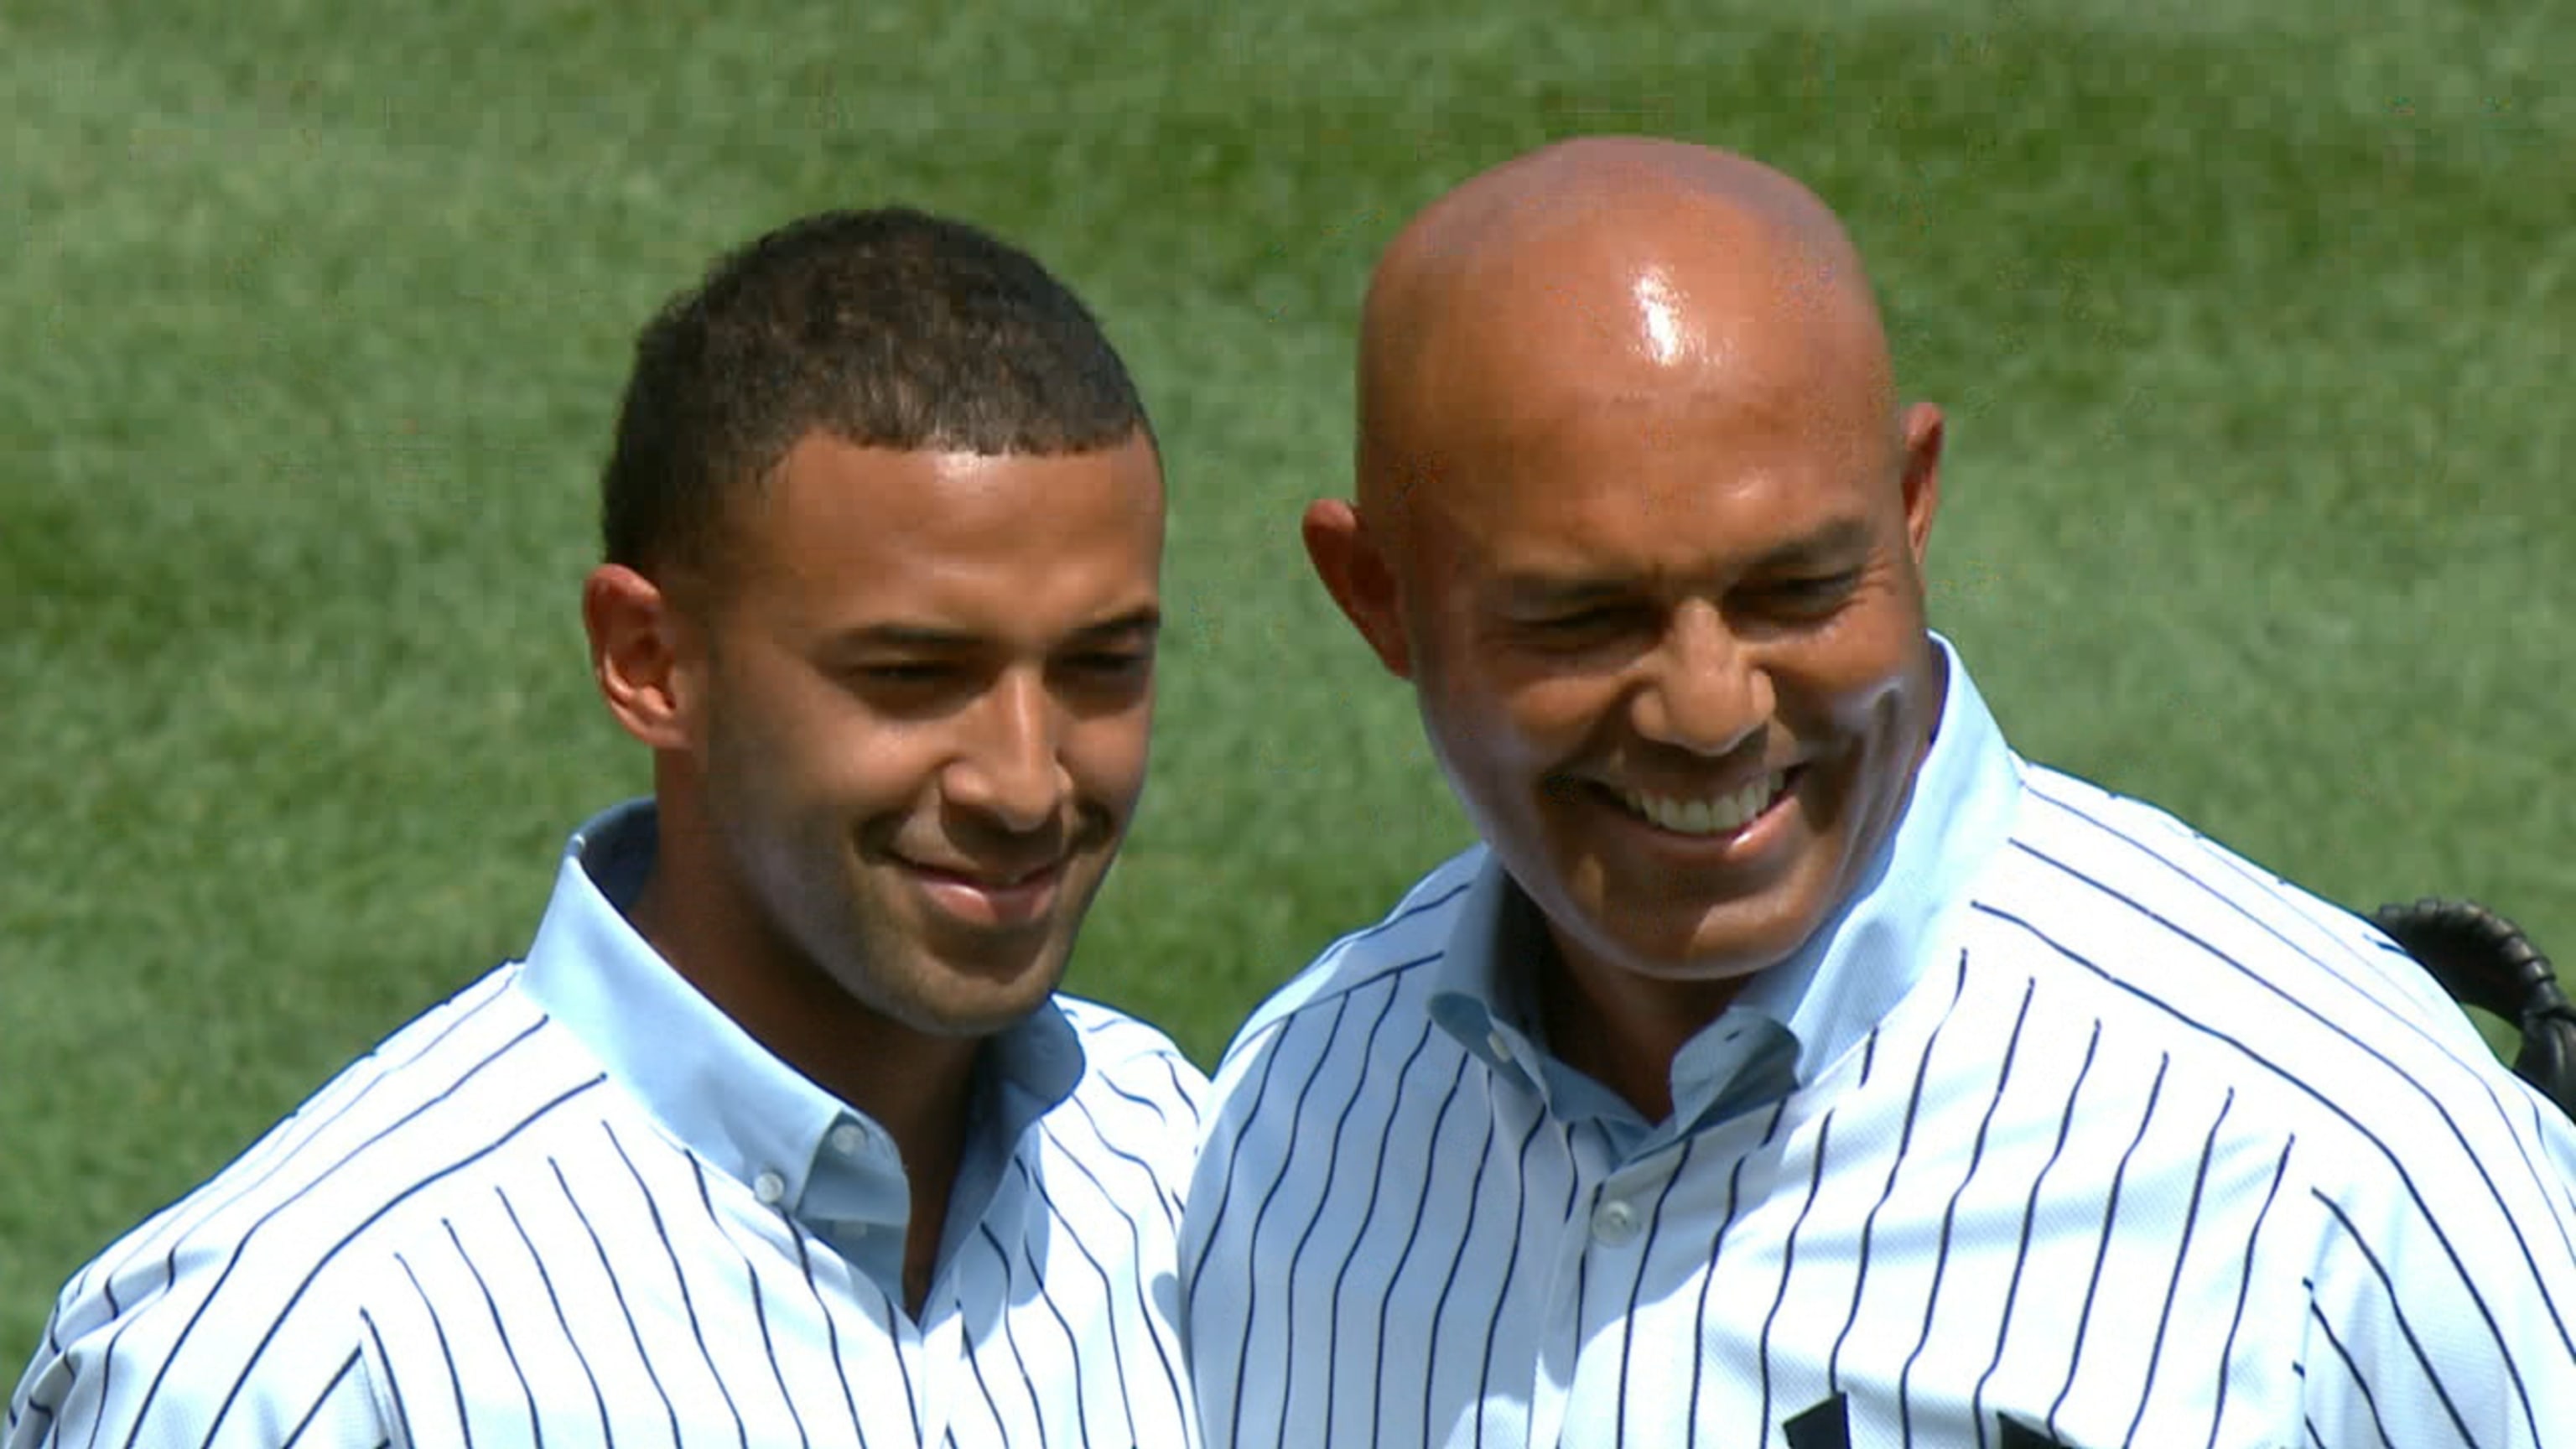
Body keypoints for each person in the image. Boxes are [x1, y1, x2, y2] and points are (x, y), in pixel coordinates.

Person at [1180, 137, 2576, 1448]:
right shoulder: (1290, 1123)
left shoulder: (2324, 1152)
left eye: (1796, 588)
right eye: (1583, 617)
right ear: (1380, 600)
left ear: (1911, 506)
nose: (1711, 711)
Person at [10, 207, 1201, 1446]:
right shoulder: (311, 1357)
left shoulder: (1175, 1168)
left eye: (1103, 665)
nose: (1022, 781)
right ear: (650, 661)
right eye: (910, 674)